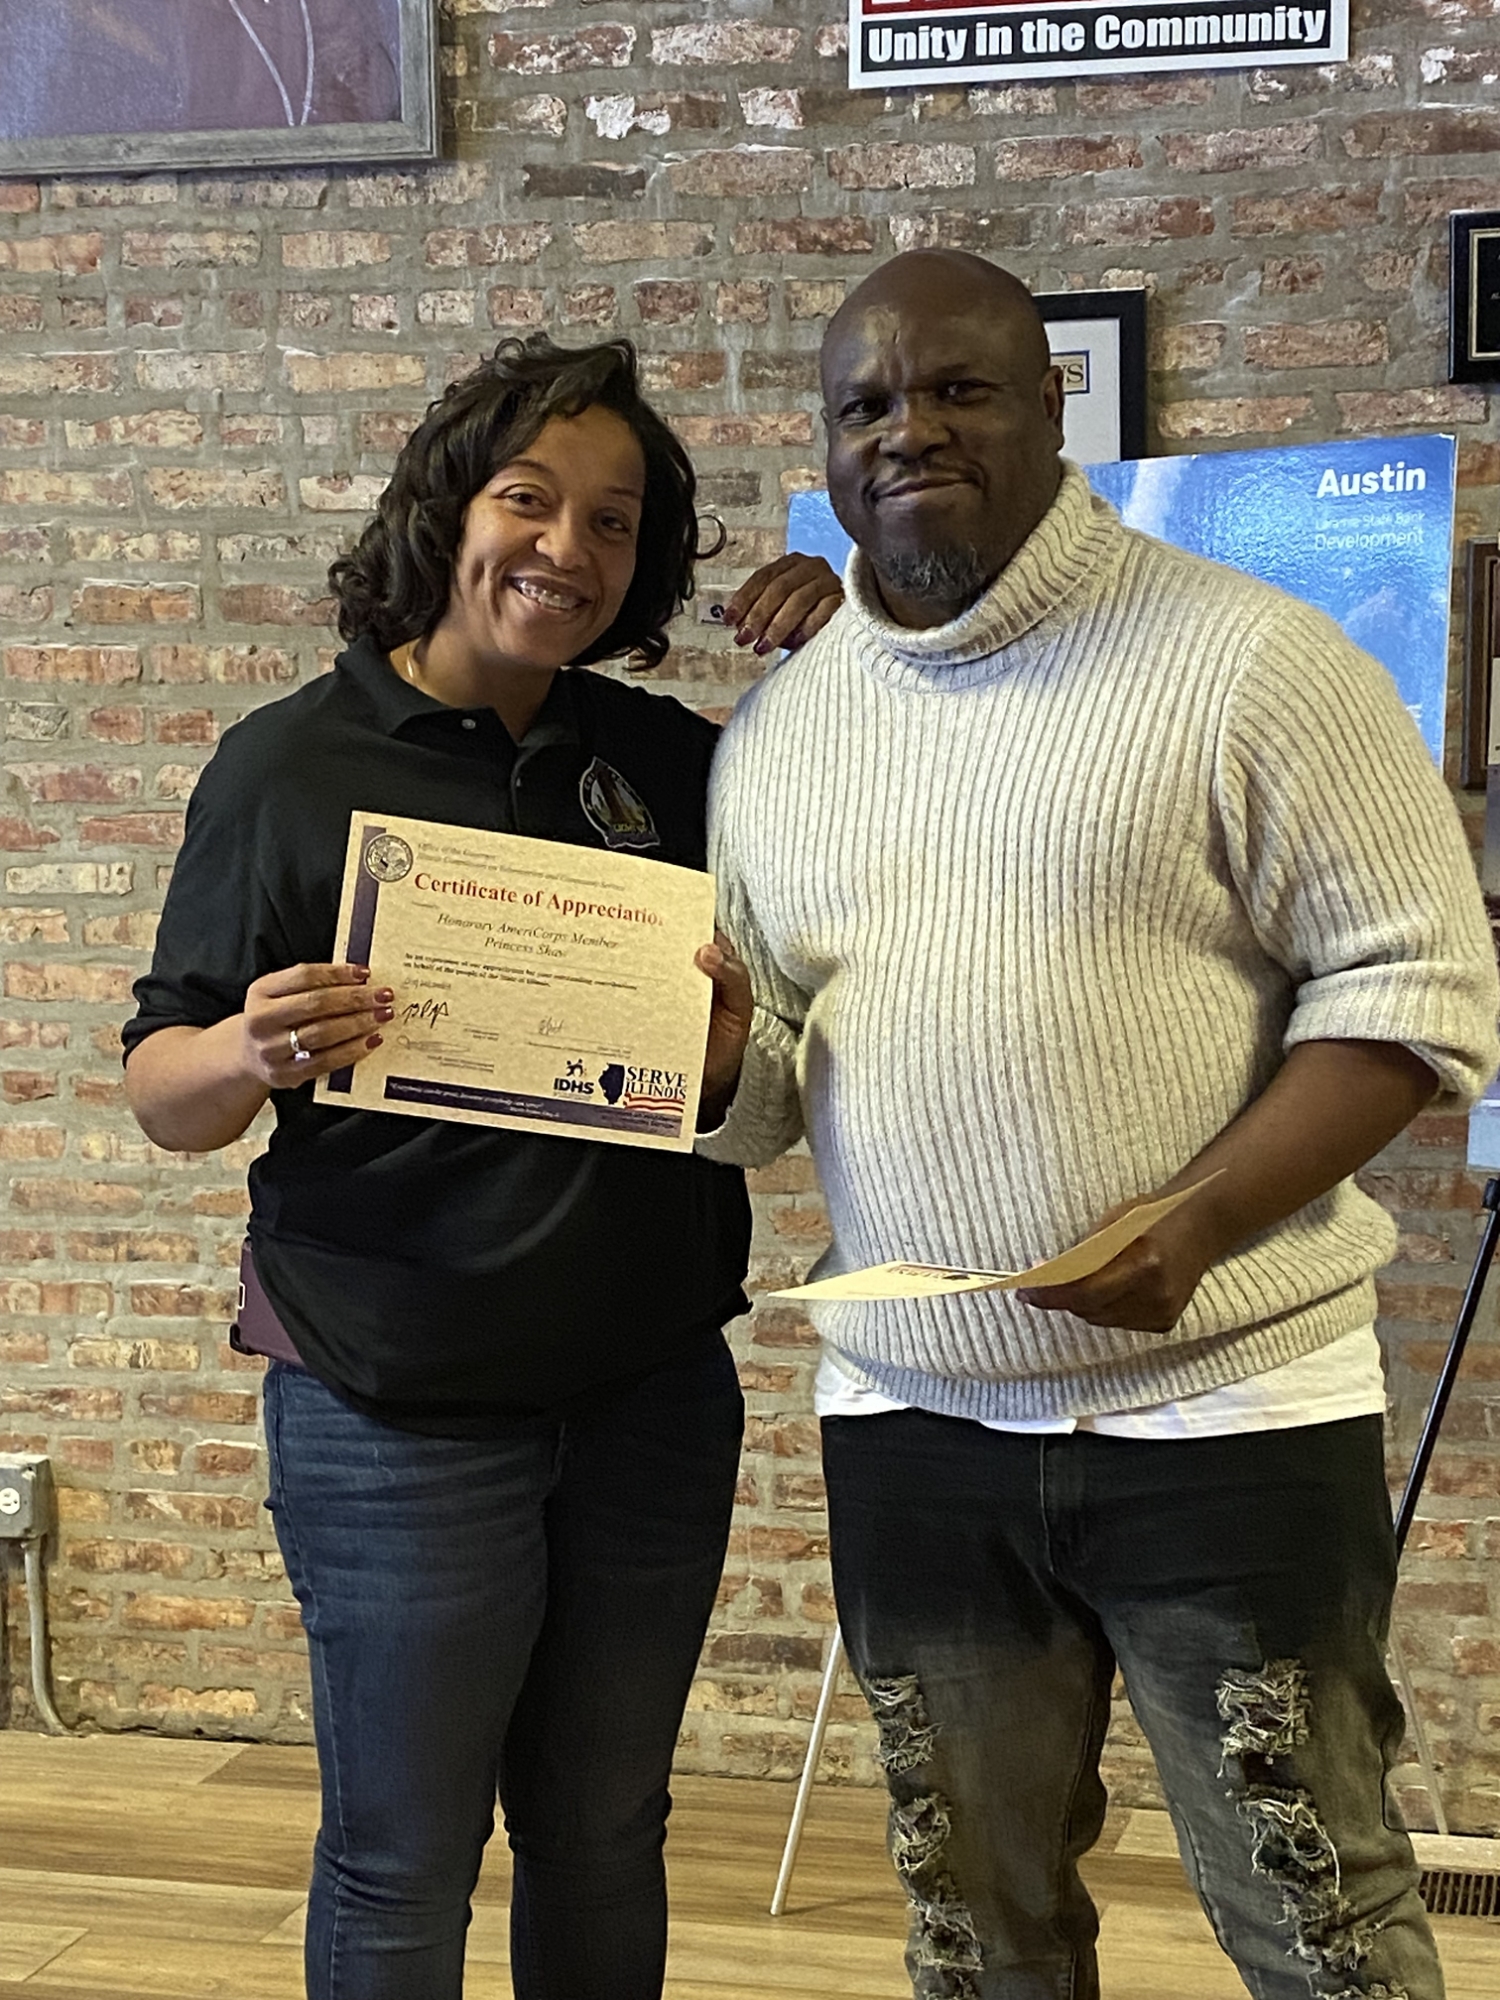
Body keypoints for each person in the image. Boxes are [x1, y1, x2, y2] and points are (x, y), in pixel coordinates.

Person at [699, 250, 1500, 2000]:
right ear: (824, 447)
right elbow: (758, 1108)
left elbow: (1416, 997)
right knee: (975, 1929)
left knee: (1319, 1921)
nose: (910, 429)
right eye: (865, 405)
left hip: (1230, 1401)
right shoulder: (776, 741)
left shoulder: (1251, 666)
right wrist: (700, 1057)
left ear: (1057, 405)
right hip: (912, 1417)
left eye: (962, 389)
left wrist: (1200, 1221)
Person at [121, 333, 838, 2000]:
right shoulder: (290, 765)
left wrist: (854, 618)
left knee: (606, 1830)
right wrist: (250, 1048)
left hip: (650, 1391)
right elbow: (167, 1093)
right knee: (400, 1853)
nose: (566, 551)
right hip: (392, 1400)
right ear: (449, 513)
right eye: (530, 502)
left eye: (612, 520)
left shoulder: (669, 763)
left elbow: (867, 831)